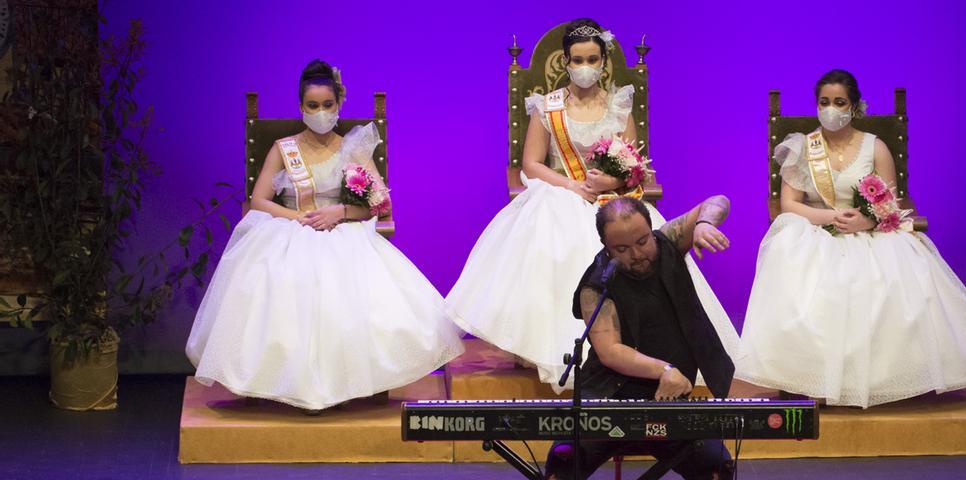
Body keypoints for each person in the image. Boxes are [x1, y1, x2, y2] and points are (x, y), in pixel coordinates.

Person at [446, 18, 739, 391]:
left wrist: (612, 181)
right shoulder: (547, 107)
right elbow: (531, 164)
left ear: (604, 61)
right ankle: (545, 348)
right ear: (566, 62)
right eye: (577, 60)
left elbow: (636, 165)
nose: (585, 67)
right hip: (560, 193)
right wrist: (571, 184)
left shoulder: (619, 106)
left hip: (614, 202)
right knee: (550, 240)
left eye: (592, 59)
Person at [186, 59, 464, 412]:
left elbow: (382, 204)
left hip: (342, 231)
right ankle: (274, 380)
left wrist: (341, 212)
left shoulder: (354, 148)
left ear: (339, 105)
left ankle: (354, 381)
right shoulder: (283, 148)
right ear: (301, 107)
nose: (320, 112)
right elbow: (258, 200)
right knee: (280, 284)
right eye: (313, 106)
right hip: (291, 230)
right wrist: (297, 218)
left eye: (327, 105)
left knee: (349, 289)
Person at [538, 195, 741, 480]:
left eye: (642, 242)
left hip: (667, 403)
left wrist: (703, 223)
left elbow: (717, 200)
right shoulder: (598, 284)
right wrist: (662, 368)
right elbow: (609, 350)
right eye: (622, 249)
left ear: (653, 230)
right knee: (560, 468)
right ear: (606, 248)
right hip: (609, 399)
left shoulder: (668, 243)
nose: (637, 255)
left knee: (718, 470)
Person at [734, 69, 966, 408]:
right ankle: (808, 376)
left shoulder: (875, 147)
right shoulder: (802, 147)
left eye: (839, 102)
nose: (831, 109)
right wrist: (831, 217)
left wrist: (866, 220)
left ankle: (885, 379)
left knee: (899, 279)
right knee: (795, 264)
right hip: (816, 230)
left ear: (854, 107)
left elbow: (892, 202)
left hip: (869, 232)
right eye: (824, 102)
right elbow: (789, 204)